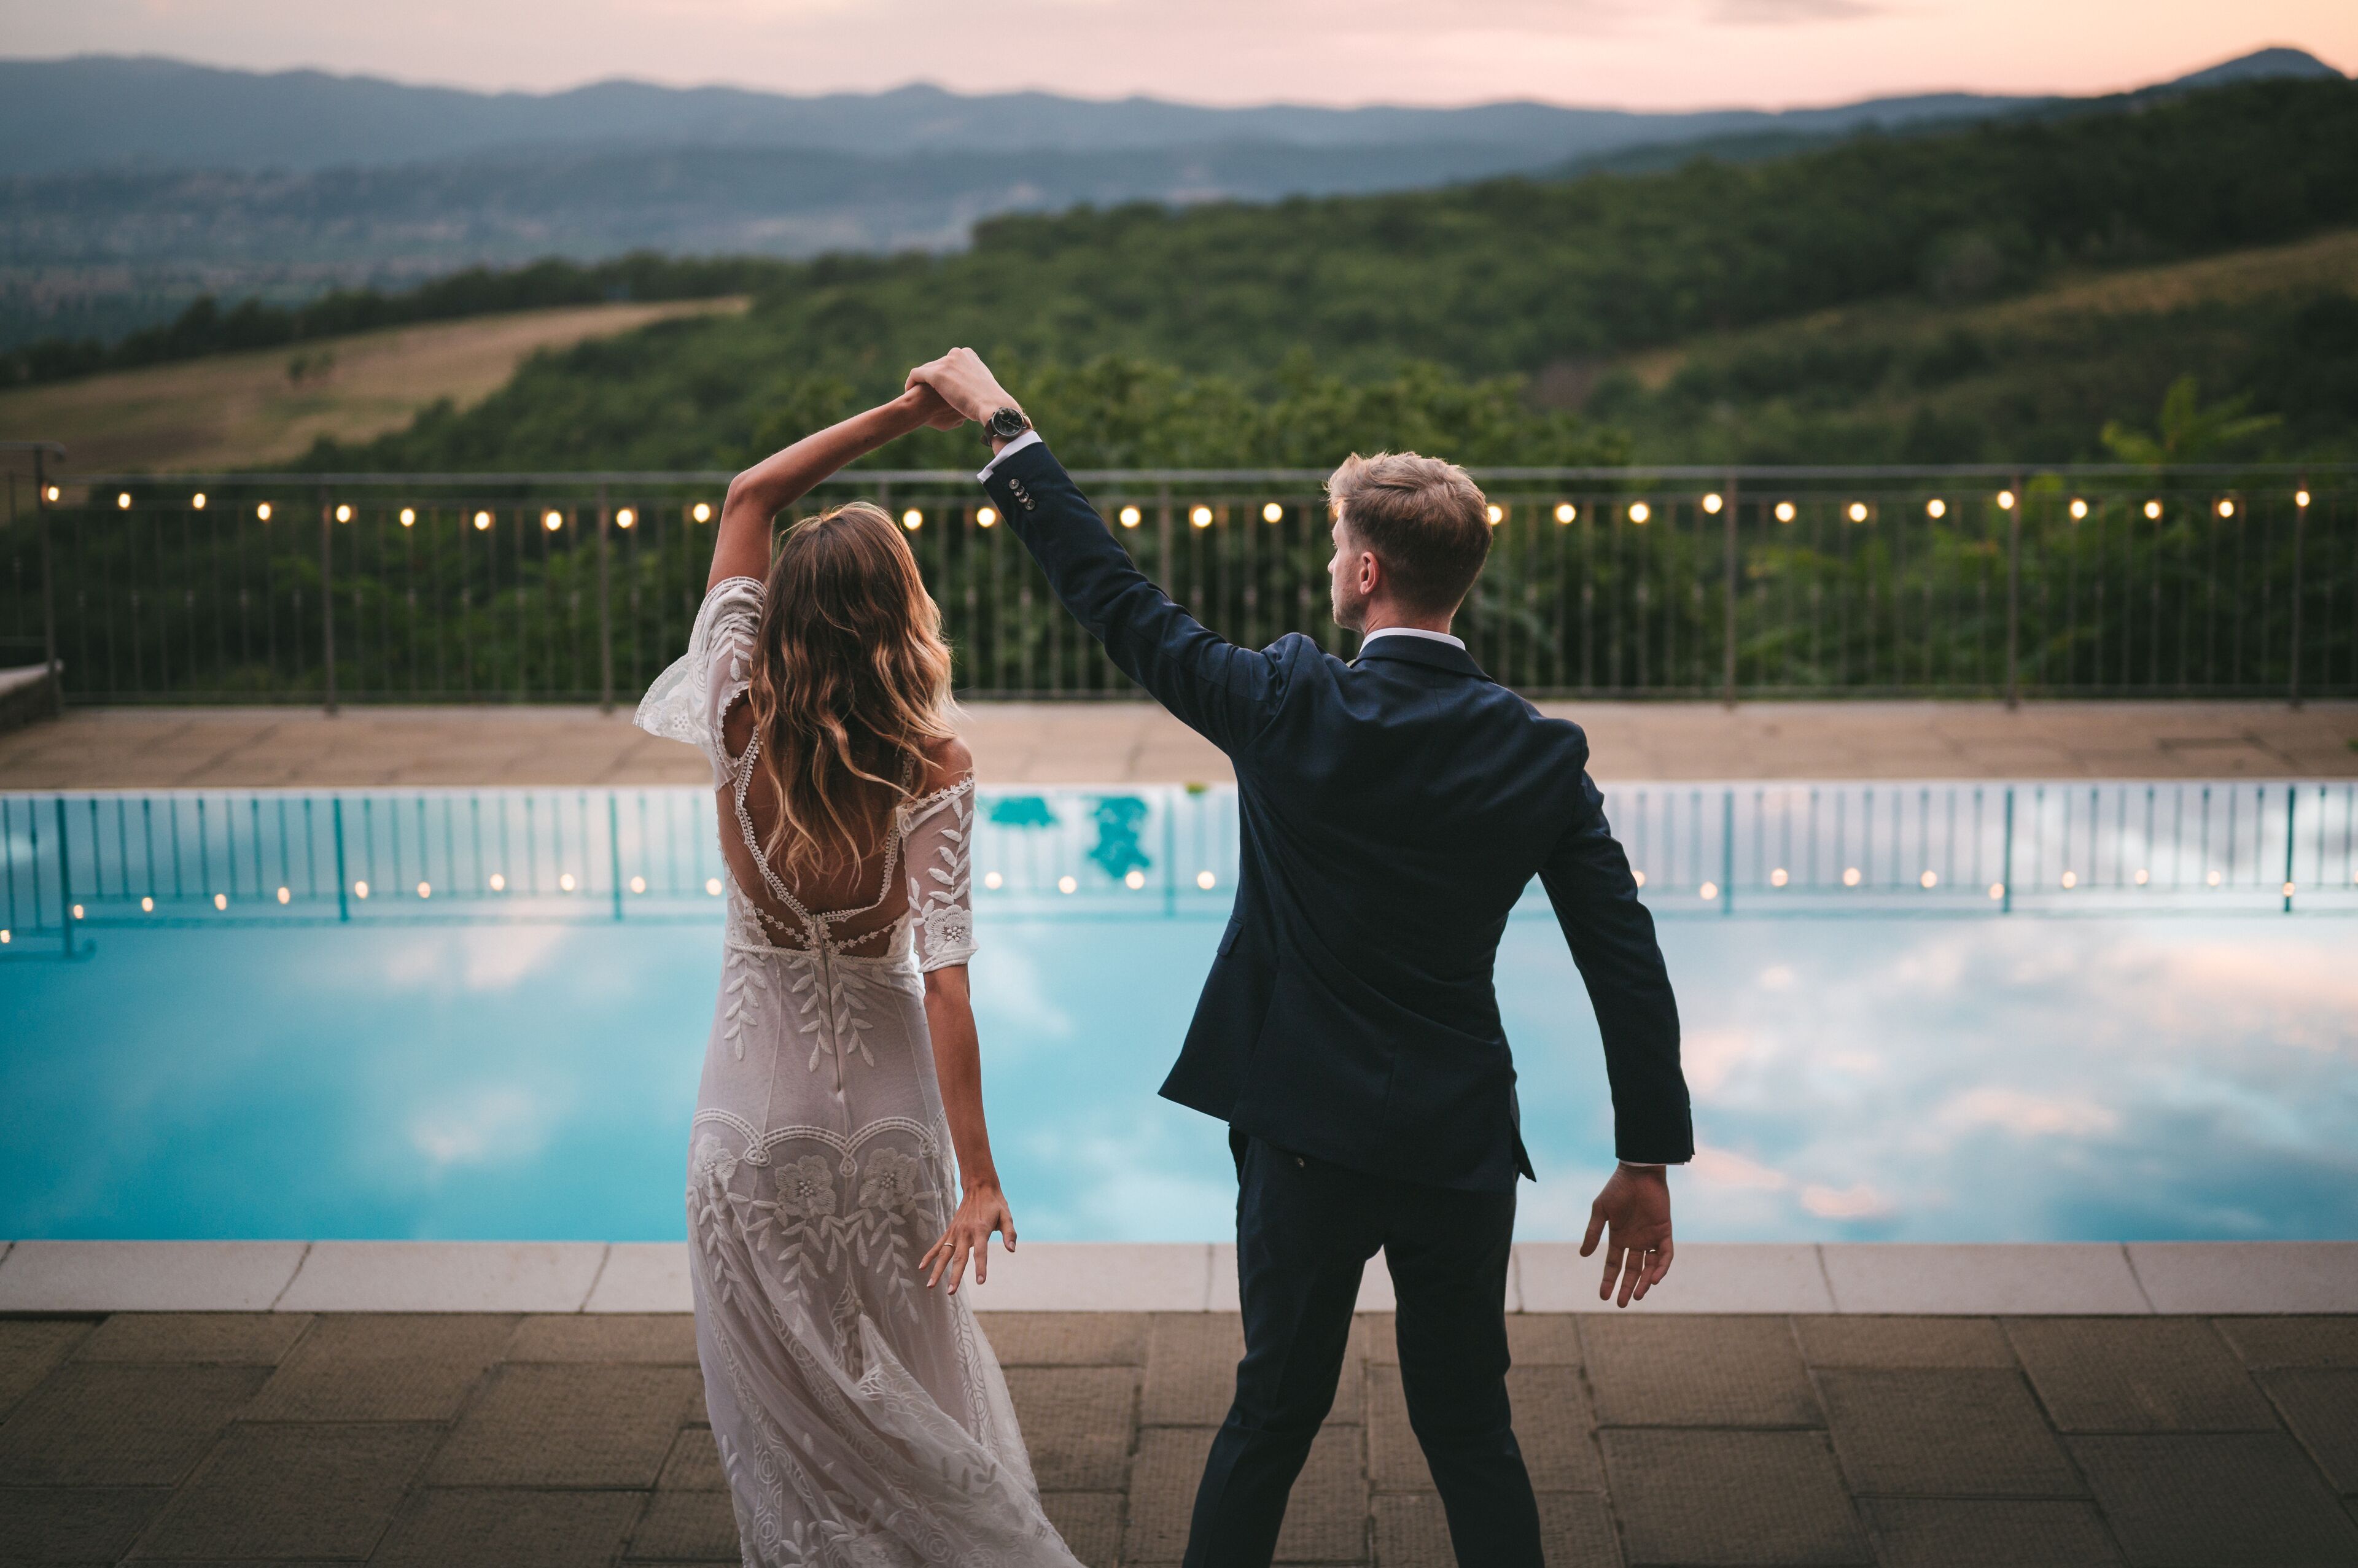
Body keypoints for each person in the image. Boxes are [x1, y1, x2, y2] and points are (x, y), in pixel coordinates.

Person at [906, 347, 1695, 1568]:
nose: (1333, 567)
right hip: (1456, 1141)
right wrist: (1645, 1154)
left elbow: (1117, 600)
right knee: (1470, 1429)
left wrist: (1007, 428)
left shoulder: (1287, 700)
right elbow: (1623, 956)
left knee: (1272, 1414)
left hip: (1303, 1136)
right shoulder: (1538, 753)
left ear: (1367, 572)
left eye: (1338, 549)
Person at [634, 382, 1084, 1568]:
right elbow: (946, 981)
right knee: (918, 1401)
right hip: (889, 1140)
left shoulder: (733, 714)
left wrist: (903, 410)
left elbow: (751, 493)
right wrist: (980, 1177)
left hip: (747, 1138)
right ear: (901, 616)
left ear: (781, 617)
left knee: (792, 1439)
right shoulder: (934, 766)